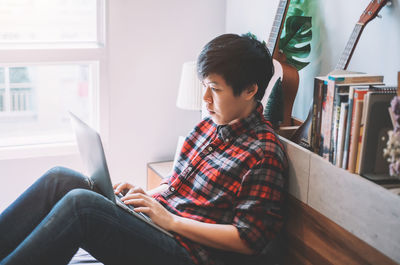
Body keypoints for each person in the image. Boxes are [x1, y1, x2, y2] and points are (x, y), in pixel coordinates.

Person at [0, 33, 287, 265]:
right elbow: (177, 187)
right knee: (59, 179)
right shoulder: (207, 127)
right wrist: (143, 197)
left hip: (186, 252)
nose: (205, 98)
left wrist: (171, 221)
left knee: (81, 206)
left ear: (250, 90)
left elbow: (249, 240)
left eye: (215, 88)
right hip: (162, 227)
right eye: (204, 86)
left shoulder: (263, 153)